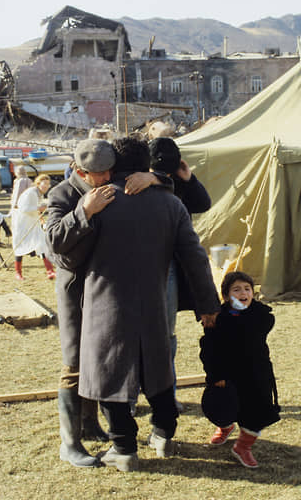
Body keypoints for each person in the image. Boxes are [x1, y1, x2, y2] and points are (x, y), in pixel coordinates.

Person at [60, 137, 220, 472]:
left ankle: (124, 448)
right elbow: (195, 258)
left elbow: (67, 256)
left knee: (109, 373)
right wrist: (208, 304)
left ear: (112, 165)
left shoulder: (98, 201)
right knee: (157, 370)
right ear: (147, 164)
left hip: (105, 300)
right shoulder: (170, 203)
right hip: (153, 299)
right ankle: (163, 433)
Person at [46, 138, 174, 468]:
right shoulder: (62, 194)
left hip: (107, 292)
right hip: (77, 294)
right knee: (75, 363)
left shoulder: (118, 185)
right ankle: (70, 442)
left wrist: (156, 178)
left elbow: (176, 186)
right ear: (78, 171)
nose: (105, 180)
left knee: (101, 363)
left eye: (109, 172)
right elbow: (53, 244)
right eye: (97, 174)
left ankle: (91, 424)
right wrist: (84, 211)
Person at [146, 136, 212, 411]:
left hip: (170, 266)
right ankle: (132, 398)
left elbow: (203, 203)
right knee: (136, 333)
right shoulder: (137, 183)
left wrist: (188, 177)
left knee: (166, 335)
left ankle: (166, 395)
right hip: (141, 265)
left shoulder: (175, 185)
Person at [199, 271, 281, 469]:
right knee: (223, 407)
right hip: (227, 375)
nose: (243, 293)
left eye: (247, 289)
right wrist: (216, 375)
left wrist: (235, 314)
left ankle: (242, 447)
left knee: (257, 412)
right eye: (236, 290)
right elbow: (209, 351)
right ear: (226, 296)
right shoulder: (217, 319)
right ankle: (225, 426)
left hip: (255, 374)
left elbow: (253, 327)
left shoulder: (261, 316)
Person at [12, 174, 55, 281]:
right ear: (38, 183)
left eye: (47, 184)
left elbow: (36, 209)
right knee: (20, 247)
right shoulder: (31, 193)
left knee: (42, 244)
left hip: (33, 223)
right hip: (22, 224)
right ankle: (18, 273)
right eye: (44, 184)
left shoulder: (38, 193)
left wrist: (41, 218)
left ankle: (50, 271)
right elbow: (24, 208)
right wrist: (39, 208)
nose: (46, 186)